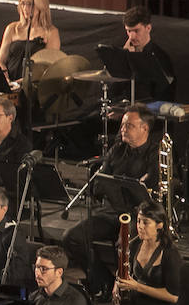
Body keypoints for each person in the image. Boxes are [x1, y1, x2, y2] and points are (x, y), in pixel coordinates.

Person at [59, 104, 161, 289]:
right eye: (122, 125)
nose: (122, 129)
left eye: (128, 125)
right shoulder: (117, 149)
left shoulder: (155, 153)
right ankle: (103, 281)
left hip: (138, 216)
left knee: (123, 246)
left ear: (144, 128)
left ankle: (127, 289)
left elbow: (151, 191)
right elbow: (99, 182)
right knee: (71, 237)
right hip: (111, 212)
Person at [0, 0, 60, 86]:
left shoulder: (51, 32)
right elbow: (0, 61)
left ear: (40, 6)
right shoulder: (12, 28)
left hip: (34, 88)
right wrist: (6, 79)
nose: (25, 8)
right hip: (10, 86)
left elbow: (48, 67)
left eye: (30, 4)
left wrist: (22, 82)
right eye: (22, 3)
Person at [114, 5, 176, 104]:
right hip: (124, 107)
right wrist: (124, 58)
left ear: (148, 28)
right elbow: (115, 90)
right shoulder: (125, 51)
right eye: (129, 31)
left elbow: (161, 96)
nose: (132, 36)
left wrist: (133, 59)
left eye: (136, 30)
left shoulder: (160, 57)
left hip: (146, 112)